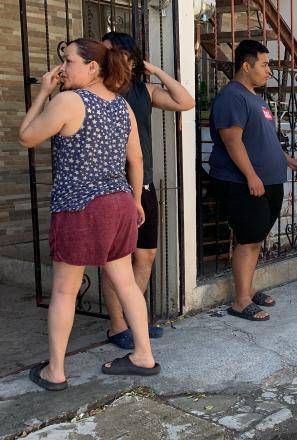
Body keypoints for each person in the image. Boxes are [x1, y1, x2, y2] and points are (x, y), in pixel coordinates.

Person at [18, 38, 160, 390]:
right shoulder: (122, 105)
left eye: (68, 61)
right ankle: (144, 355)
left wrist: (43, 93)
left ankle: (55, 371)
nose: (63, 68)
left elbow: (25, 137)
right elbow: (136, 159)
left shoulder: (68, 101)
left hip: (79, 207)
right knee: (126, 283)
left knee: (65, 291)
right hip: (118, 202)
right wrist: (137, 200)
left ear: (92, 67)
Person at [100, 32, 195, 349]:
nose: (106, 58)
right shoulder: (96, 91)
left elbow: (186, 101)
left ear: (129, 57)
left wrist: (154, 71)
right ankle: (117, 326)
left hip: (144, 184)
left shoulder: (144, 90)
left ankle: (133, 319)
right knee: (116, 260)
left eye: (112, 52)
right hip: (111, 188)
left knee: (146, 255)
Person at [209, 40, 297, 321]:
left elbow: (264, 138)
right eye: (264, 65)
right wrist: (251, 175)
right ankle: (240, 301)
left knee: (256, 239)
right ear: (246, 65)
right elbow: (232, 140)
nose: (268, 71)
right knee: (248, 240)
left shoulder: (257, 98)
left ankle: (248, 290)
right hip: (243, 183)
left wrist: (286, 159)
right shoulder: (232, 97)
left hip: (269, 180)